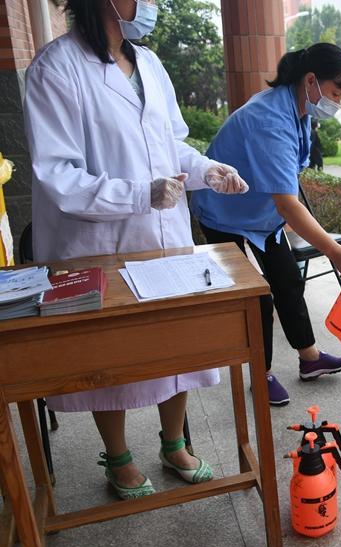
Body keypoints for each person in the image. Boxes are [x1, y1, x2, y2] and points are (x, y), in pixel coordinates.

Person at [24, 0, 251, 499]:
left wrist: (204, 171)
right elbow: (56, 174)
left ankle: (174, 444)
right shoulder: (56, 68)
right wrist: (138, 195)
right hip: (100, 240)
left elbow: (171, 144)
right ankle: (119, 455)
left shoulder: (148, 63)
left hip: (165, 237)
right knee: (111, 354)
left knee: (178, 345)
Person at [192, 43, 341, 407]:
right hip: (226, 214)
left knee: (286, 281)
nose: (338, 103)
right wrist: (333, 249)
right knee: (258, 297)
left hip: (260, 216)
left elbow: (284, 191)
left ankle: (310, 359)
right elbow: (288, 202)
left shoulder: (297, 106)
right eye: (336, 93)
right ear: (311, 80)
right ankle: (260, 373)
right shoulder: (269, 119)